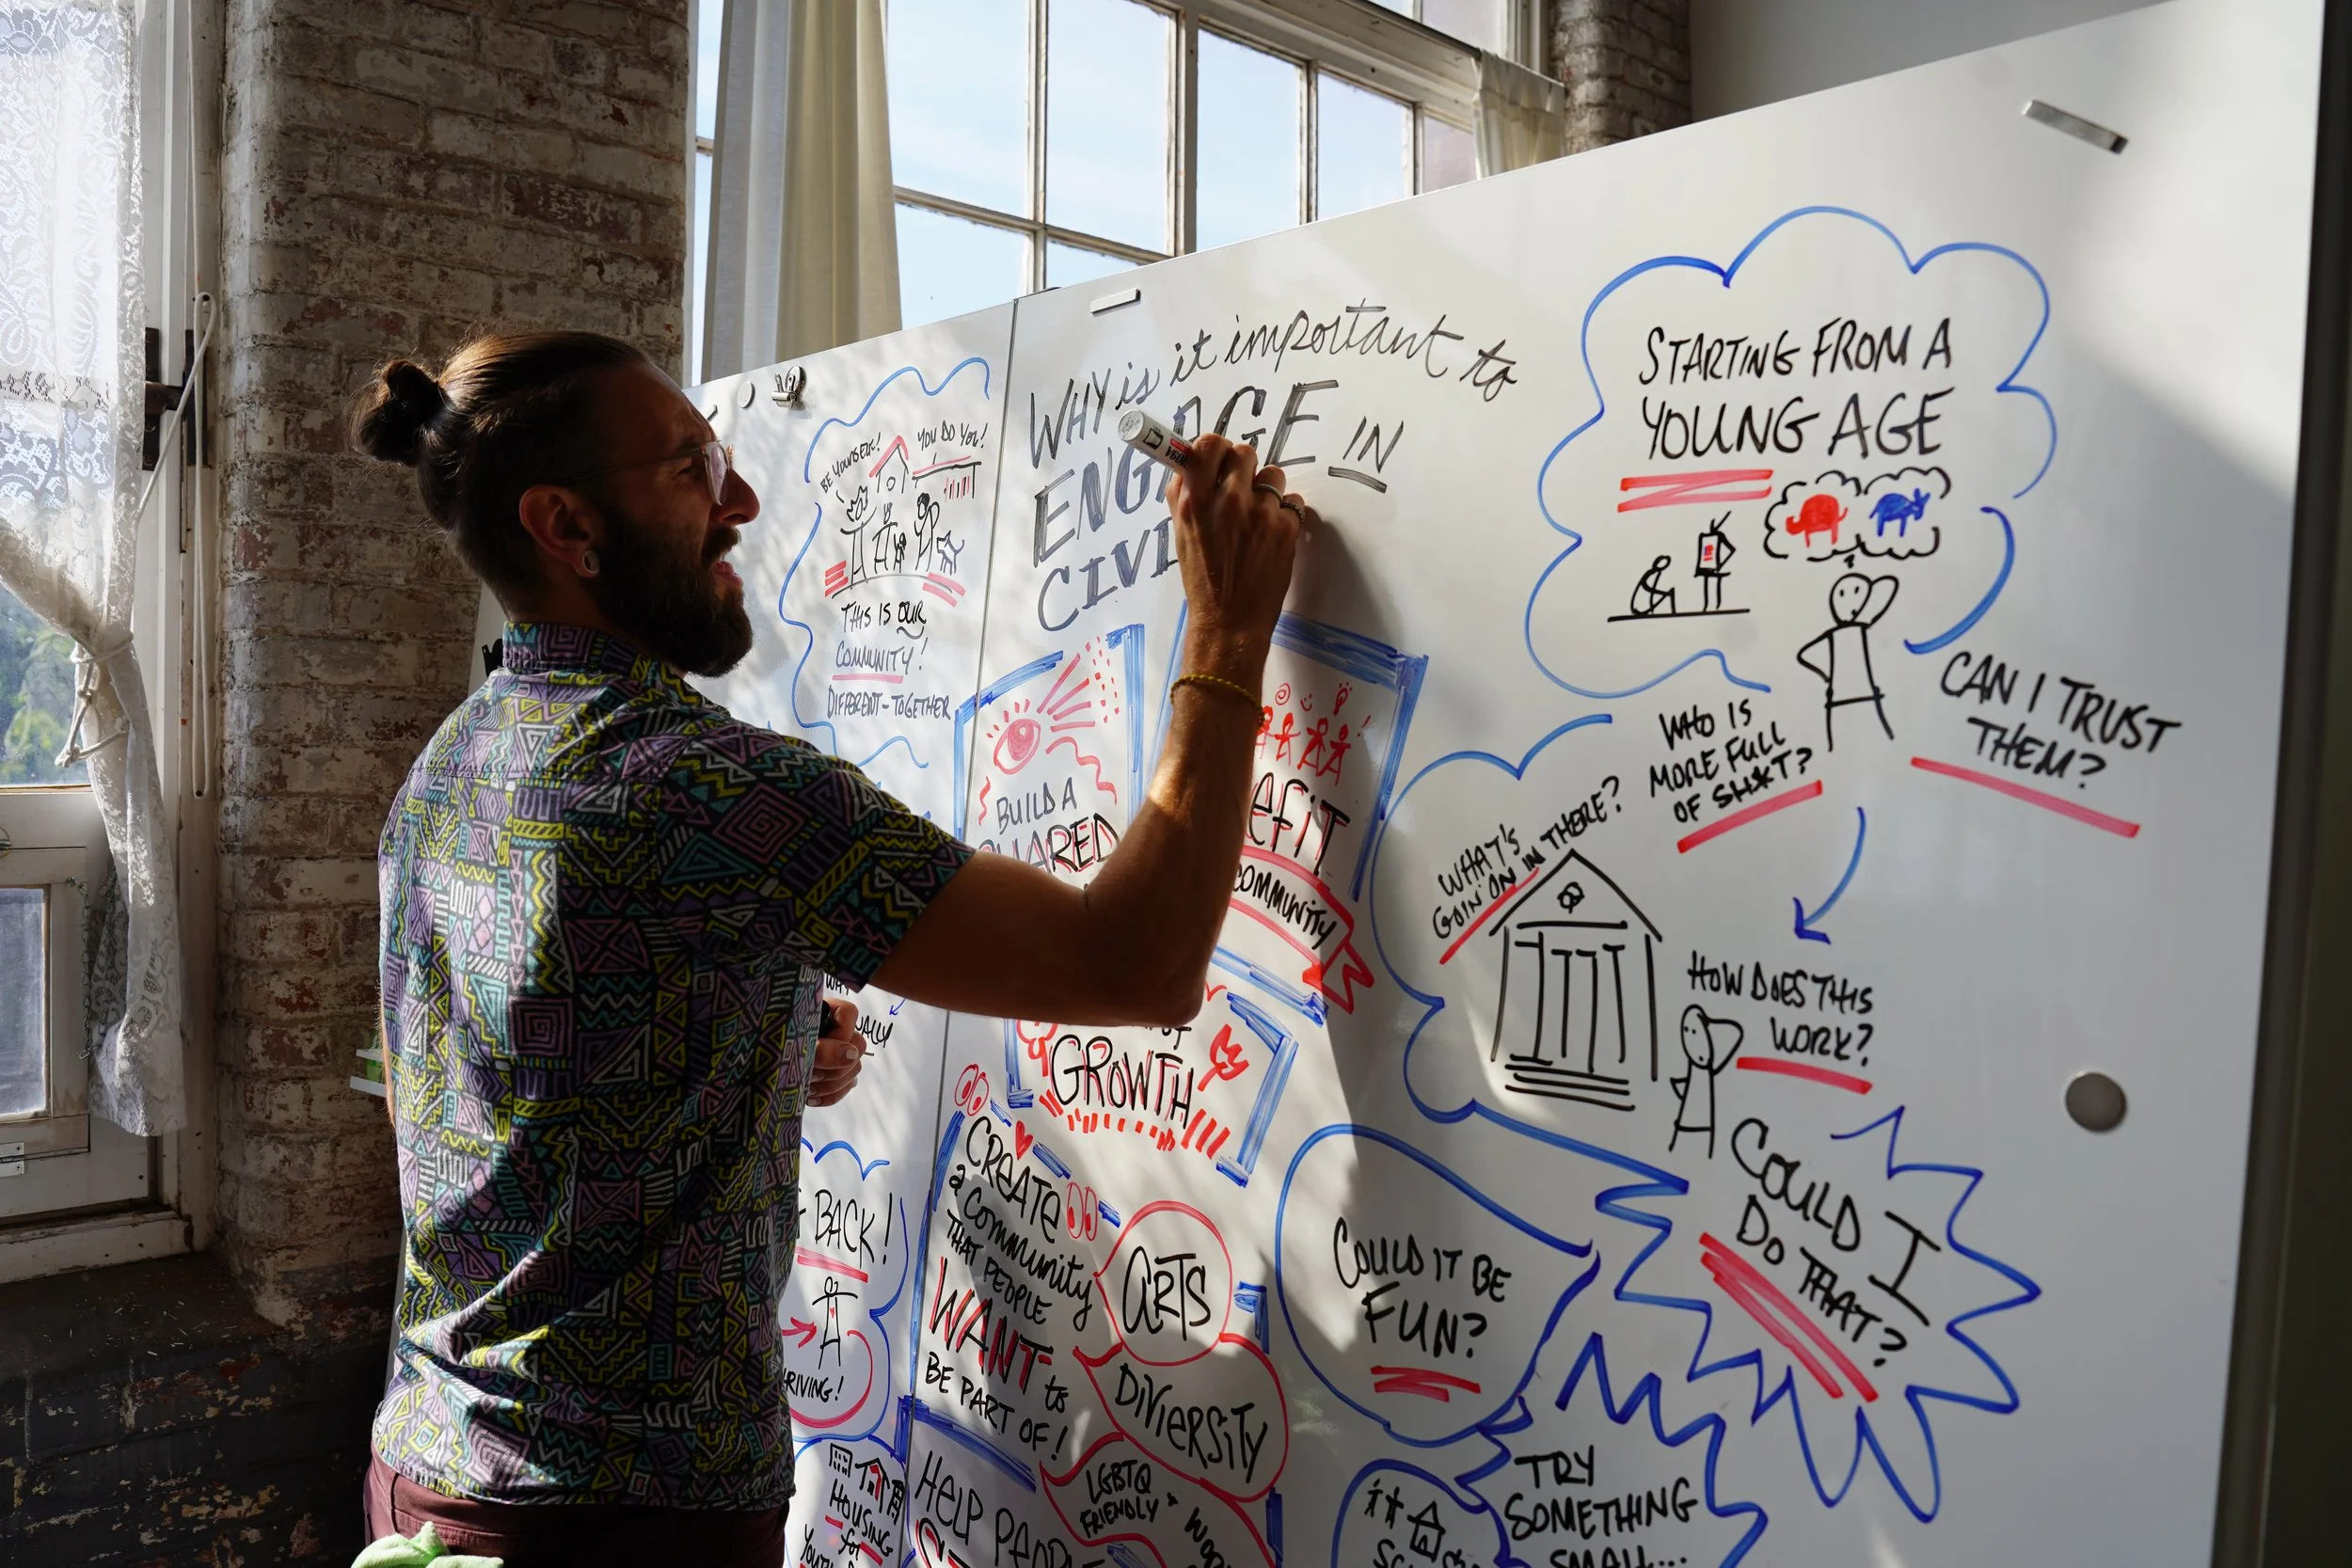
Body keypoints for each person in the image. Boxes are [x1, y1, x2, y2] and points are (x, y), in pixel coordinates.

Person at [350, 330, 1311, 1566]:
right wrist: (1225, 634)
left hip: (423, 1482)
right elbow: (1133, 964)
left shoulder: (451, 765)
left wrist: (737, 1042)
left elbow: (462, 1082)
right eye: (693, 468)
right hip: (622, 1527)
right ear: (565, 525)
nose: (743, 499)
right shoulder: (710, 788)